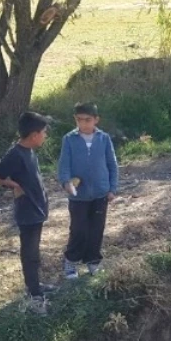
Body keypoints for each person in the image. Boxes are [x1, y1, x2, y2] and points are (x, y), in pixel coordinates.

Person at [0, 112, 55, 315]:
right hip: (27, 212)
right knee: (30, 252)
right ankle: (34, 292)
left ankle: (36, 285)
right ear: (34, 134)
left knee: (34, 251)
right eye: (43, 132)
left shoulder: (30, 150)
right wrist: (12, 185)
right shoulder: (15, 154)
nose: (45, 136)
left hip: (37, 209)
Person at [56, 102, 119, 279]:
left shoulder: (104, 138)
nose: (83, 124)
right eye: (79, 120)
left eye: (87, 120)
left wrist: (112, 188)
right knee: (79, 229)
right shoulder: (69, 139)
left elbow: (112, 164)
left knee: (96, 229)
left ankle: (93, 261)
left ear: (96, 120)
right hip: (79, 196)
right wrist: (66, 183)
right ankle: (71, 261)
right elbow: (64, 165)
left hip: (100, 193)